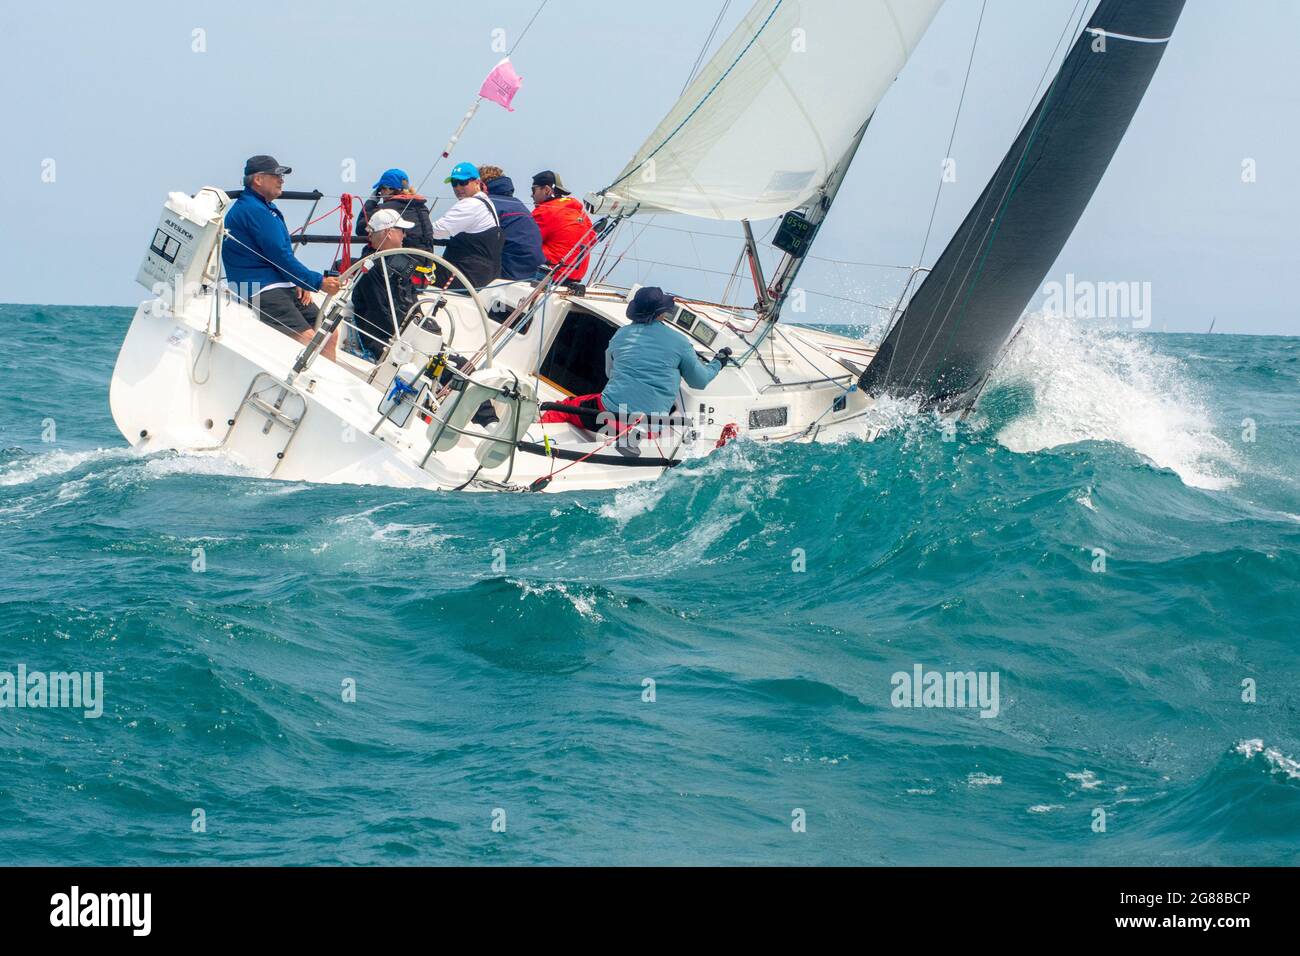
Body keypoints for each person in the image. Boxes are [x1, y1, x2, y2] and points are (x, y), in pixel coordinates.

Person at [540, 287, 731, 430]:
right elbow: (700, 381)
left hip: (607, 416)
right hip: (649, 427)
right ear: (662, 313)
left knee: (563, 407)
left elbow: (609, 373)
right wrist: (718, 362)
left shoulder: (621, 335)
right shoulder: (680, 342)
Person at [223, 155, 341, 359]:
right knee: (310, 340)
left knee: (329, 335)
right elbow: (280, 255)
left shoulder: (267, 208)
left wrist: (298, 281)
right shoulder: (253, 210)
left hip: (279, 283)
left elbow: (279, 255)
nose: (282, 180)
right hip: (258, 288)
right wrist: (317, 282)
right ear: (258, 180)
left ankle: (330, 384)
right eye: (276, 175)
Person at [349, 209, 424, 361]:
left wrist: (420, 324)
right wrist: (411, 336)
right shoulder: (370, 266)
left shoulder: (398, 261)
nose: (404, 235)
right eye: (401, 230)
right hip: (383, 339)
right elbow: (380, 311)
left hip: (404, 335)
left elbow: (412, 297)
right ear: (389, 233)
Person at [429, 162, 503, 290]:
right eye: (454, 183)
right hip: (483, 277)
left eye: (463, 183)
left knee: (414, 266)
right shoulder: (486, 203)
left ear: (477, 182)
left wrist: (405, 230)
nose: (458, 187)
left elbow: (438, 230)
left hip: (466, 277)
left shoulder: (470, 204)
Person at [478, 165, 544, 280]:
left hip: (509, 273)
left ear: (481, 185)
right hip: (533, 273)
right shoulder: (517, 204)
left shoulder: (488, 204)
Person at [530, 170, 595, 283]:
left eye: (533, 189)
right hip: (575, 278)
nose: (531, 195)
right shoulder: (580, 213)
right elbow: (593, 239)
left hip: (551, 275)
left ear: (546, 190)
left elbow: (527, 241)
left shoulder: (545, 211)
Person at [356, 168, 435, 252]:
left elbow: (361, 229)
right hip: (426, 259)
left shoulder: (384, 210)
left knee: (340, 263)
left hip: (401, 261)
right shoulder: (422, 207)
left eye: (381, 188)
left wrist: (371, 201)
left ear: (390, 189)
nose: (380, 193)